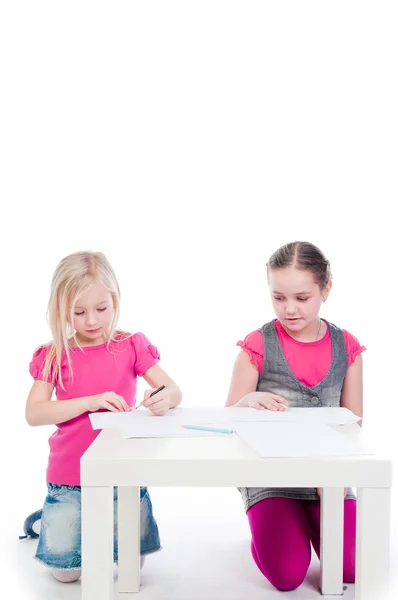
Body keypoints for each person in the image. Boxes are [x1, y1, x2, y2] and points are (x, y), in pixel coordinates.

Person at [22, 250, 182, 582]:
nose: (92, 321)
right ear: (62, 310)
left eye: (101, 309)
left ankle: (77, 521)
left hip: (122, 473)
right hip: (70, 476)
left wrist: (163, 398)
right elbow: (34, 413)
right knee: (67, 575)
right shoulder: (55, 355)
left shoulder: (131, 345)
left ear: (115, 299)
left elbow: (174, 390)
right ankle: (49, 517)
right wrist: (89, 401)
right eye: (78, 312)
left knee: (130, 569)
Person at [225, 241, 365, 591]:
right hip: (273, 480)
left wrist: (327, 482)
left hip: (326, 478)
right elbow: (226, 419)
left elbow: (354, 425)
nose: (289, 309)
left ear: (325, 290)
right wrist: (249, 400)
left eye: (302, 298)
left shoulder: (346, 347)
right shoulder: (258, 344)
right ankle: (272, 524)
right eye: (278, 297)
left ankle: (306, 523)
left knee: (351, 568)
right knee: (288, 576)